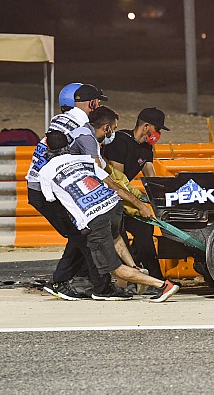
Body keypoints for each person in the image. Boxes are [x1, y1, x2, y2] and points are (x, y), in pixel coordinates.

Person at [38, 130, 181, 303]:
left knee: (113, 267)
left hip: (93, 217)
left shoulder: (45, 172)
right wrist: (141, 205)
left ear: (48, 149)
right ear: (68, 146)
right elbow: (116, 187)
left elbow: (51, 199)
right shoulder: (85, 160)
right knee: (115, 237)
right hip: (113, 206)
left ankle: (162, 285)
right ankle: (136, 269)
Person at [26, 83, 111, 300]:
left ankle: (76, 281)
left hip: (41, 187)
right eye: (98, 102)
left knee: (79, 234)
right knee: (83, 235)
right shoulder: (82, 127)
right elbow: (95, 165)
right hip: (50, 190)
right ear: (92, 103)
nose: (99, 106)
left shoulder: (59, 120)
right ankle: (89, 285)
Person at [102, 107, 169, 281]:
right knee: (120, 235)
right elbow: (118, 181)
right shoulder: (120, 141)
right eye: (157, 129)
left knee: (145, 228)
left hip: (125, 196)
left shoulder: (147, 148)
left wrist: (161, 198)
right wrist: (139, 204)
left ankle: (155, 277)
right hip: (111, 199)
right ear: (146, 126)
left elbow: (151, 176)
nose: (158, 134)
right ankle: (126, 279)